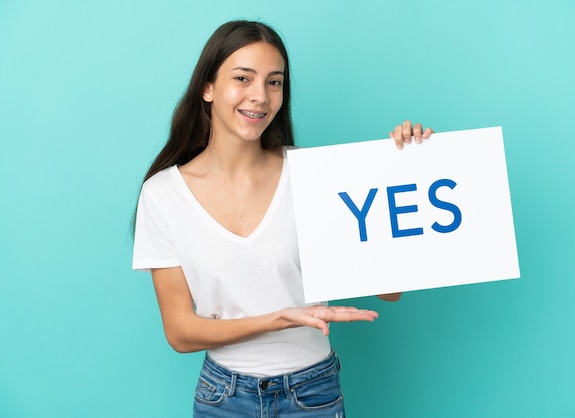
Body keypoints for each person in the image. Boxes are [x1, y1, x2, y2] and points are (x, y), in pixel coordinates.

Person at [132, 20, 433, 417]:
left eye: (274, 82)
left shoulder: (313, 175)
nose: (260, 96)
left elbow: (389, 291)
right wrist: (279, 318)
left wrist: (407, 168)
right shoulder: (162, 194)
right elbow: (181, 332)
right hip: (223, 398)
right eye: (243, 78)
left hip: (313, 394)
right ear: (207, 87)